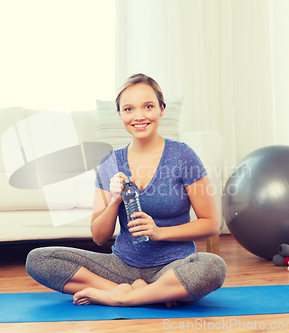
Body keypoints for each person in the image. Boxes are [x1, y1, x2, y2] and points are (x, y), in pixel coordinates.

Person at [26, 73, 226, 307]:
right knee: (39, 259)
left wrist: (160, 232)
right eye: (129, 109)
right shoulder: (111, 162)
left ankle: (122, 298)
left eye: (148, 106)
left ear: (162, 109)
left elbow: (211, 223)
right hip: (122, 267)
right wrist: (115, 200)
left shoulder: (182, 156)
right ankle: (142, 293)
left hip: (173, 267)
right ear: (120, 114)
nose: (139, 116)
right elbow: (99, 237)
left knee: (214, 266)